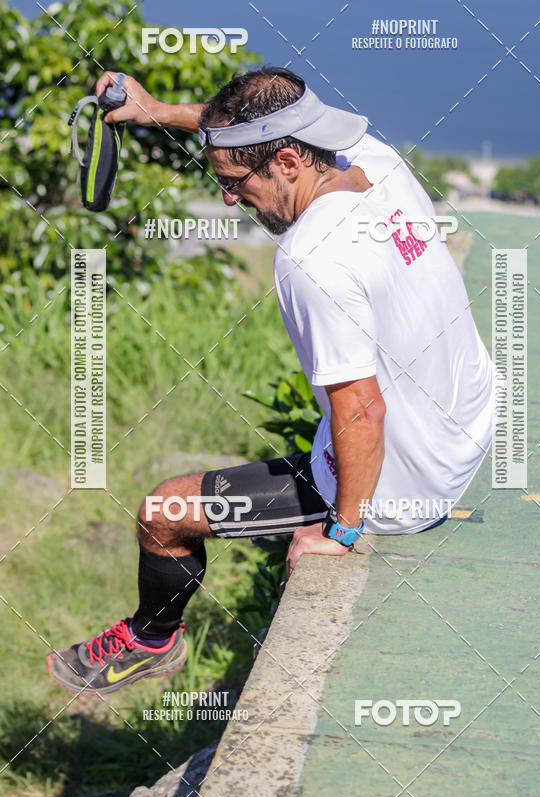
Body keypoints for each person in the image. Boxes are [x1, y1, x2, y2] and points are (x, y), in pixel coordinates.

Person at [47, 67, 494, 695]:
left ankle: (152, 638)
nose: (229, 198)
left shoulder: (312, 255)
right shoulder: (374, 158)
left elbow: (362, 414)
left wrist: (342, 530)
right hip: (470, 415)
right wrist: (157, 111)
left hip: (409, 476)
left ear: (286, 160)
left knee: (162, 512)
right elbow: (262, 123)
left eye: (234, 183)